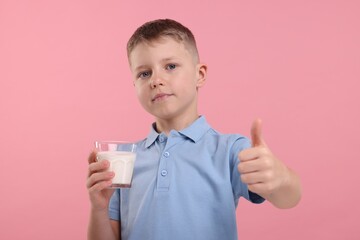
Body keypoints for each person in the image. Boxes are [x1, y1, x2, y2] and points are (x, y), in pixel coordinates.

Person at [86, 19, 301, 240]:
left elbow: (289, 197)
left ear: (200, 75)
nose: (156, 80)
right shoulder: (123, 160)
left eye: (170, 66)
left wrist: (281, 177)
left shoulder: (231, 150)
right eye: (144, 73)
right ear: (134, 85)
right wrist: (99, 209)